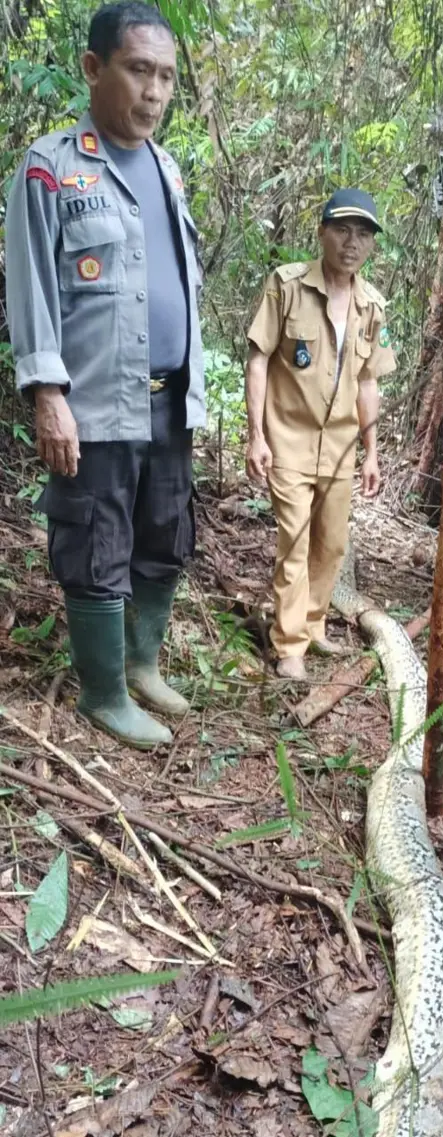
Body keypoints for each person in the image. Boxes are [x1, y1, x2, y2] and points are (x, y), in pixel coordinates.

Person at [5, 1, 205, 750]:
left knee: (165, 531)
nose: (153, 92)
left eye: (166, 77)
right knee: (95, 539)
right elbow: (29, 289)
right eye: (137, 70)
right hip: (92, 397)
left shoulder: (168, 168)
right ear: (94, 69)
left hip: (169, 397)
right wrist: (47, 392)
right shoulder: (51, 166)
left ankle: (142, 661)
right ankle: (102, 691)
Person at [244, 189, 396, 680]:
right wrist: (256, 435)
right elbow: (258, 357)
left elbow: (368, 381)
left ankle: (310, 625)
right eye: (343, 230)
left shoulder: (372, 306)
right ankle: (288, 646)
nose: (353, 243)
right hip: (288, 436)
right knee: (294, 538)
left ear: (372, 245)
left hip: (341, 447)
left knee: (331, 544)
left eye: (364, 234)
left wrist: (372, 452)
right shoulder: (287, 285)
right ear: (323, 232)